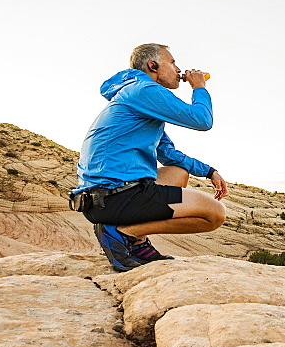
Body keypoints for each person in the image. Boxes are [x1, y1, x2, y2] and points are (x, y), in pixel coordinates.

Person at [71, 43, 229, 271]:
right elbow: (201, 120)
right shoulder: (144, 90)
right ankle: (122, 233)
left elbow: (168, 154)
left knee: (178, 172)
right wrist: (199, 87)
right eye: (173, 62)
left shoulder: (138, 97)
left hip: (106, 196)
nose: (178, 69)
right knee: (215, 214)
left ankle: (136, 244)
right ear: (153, 66)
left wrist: (209, 171)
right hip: (113, 195)